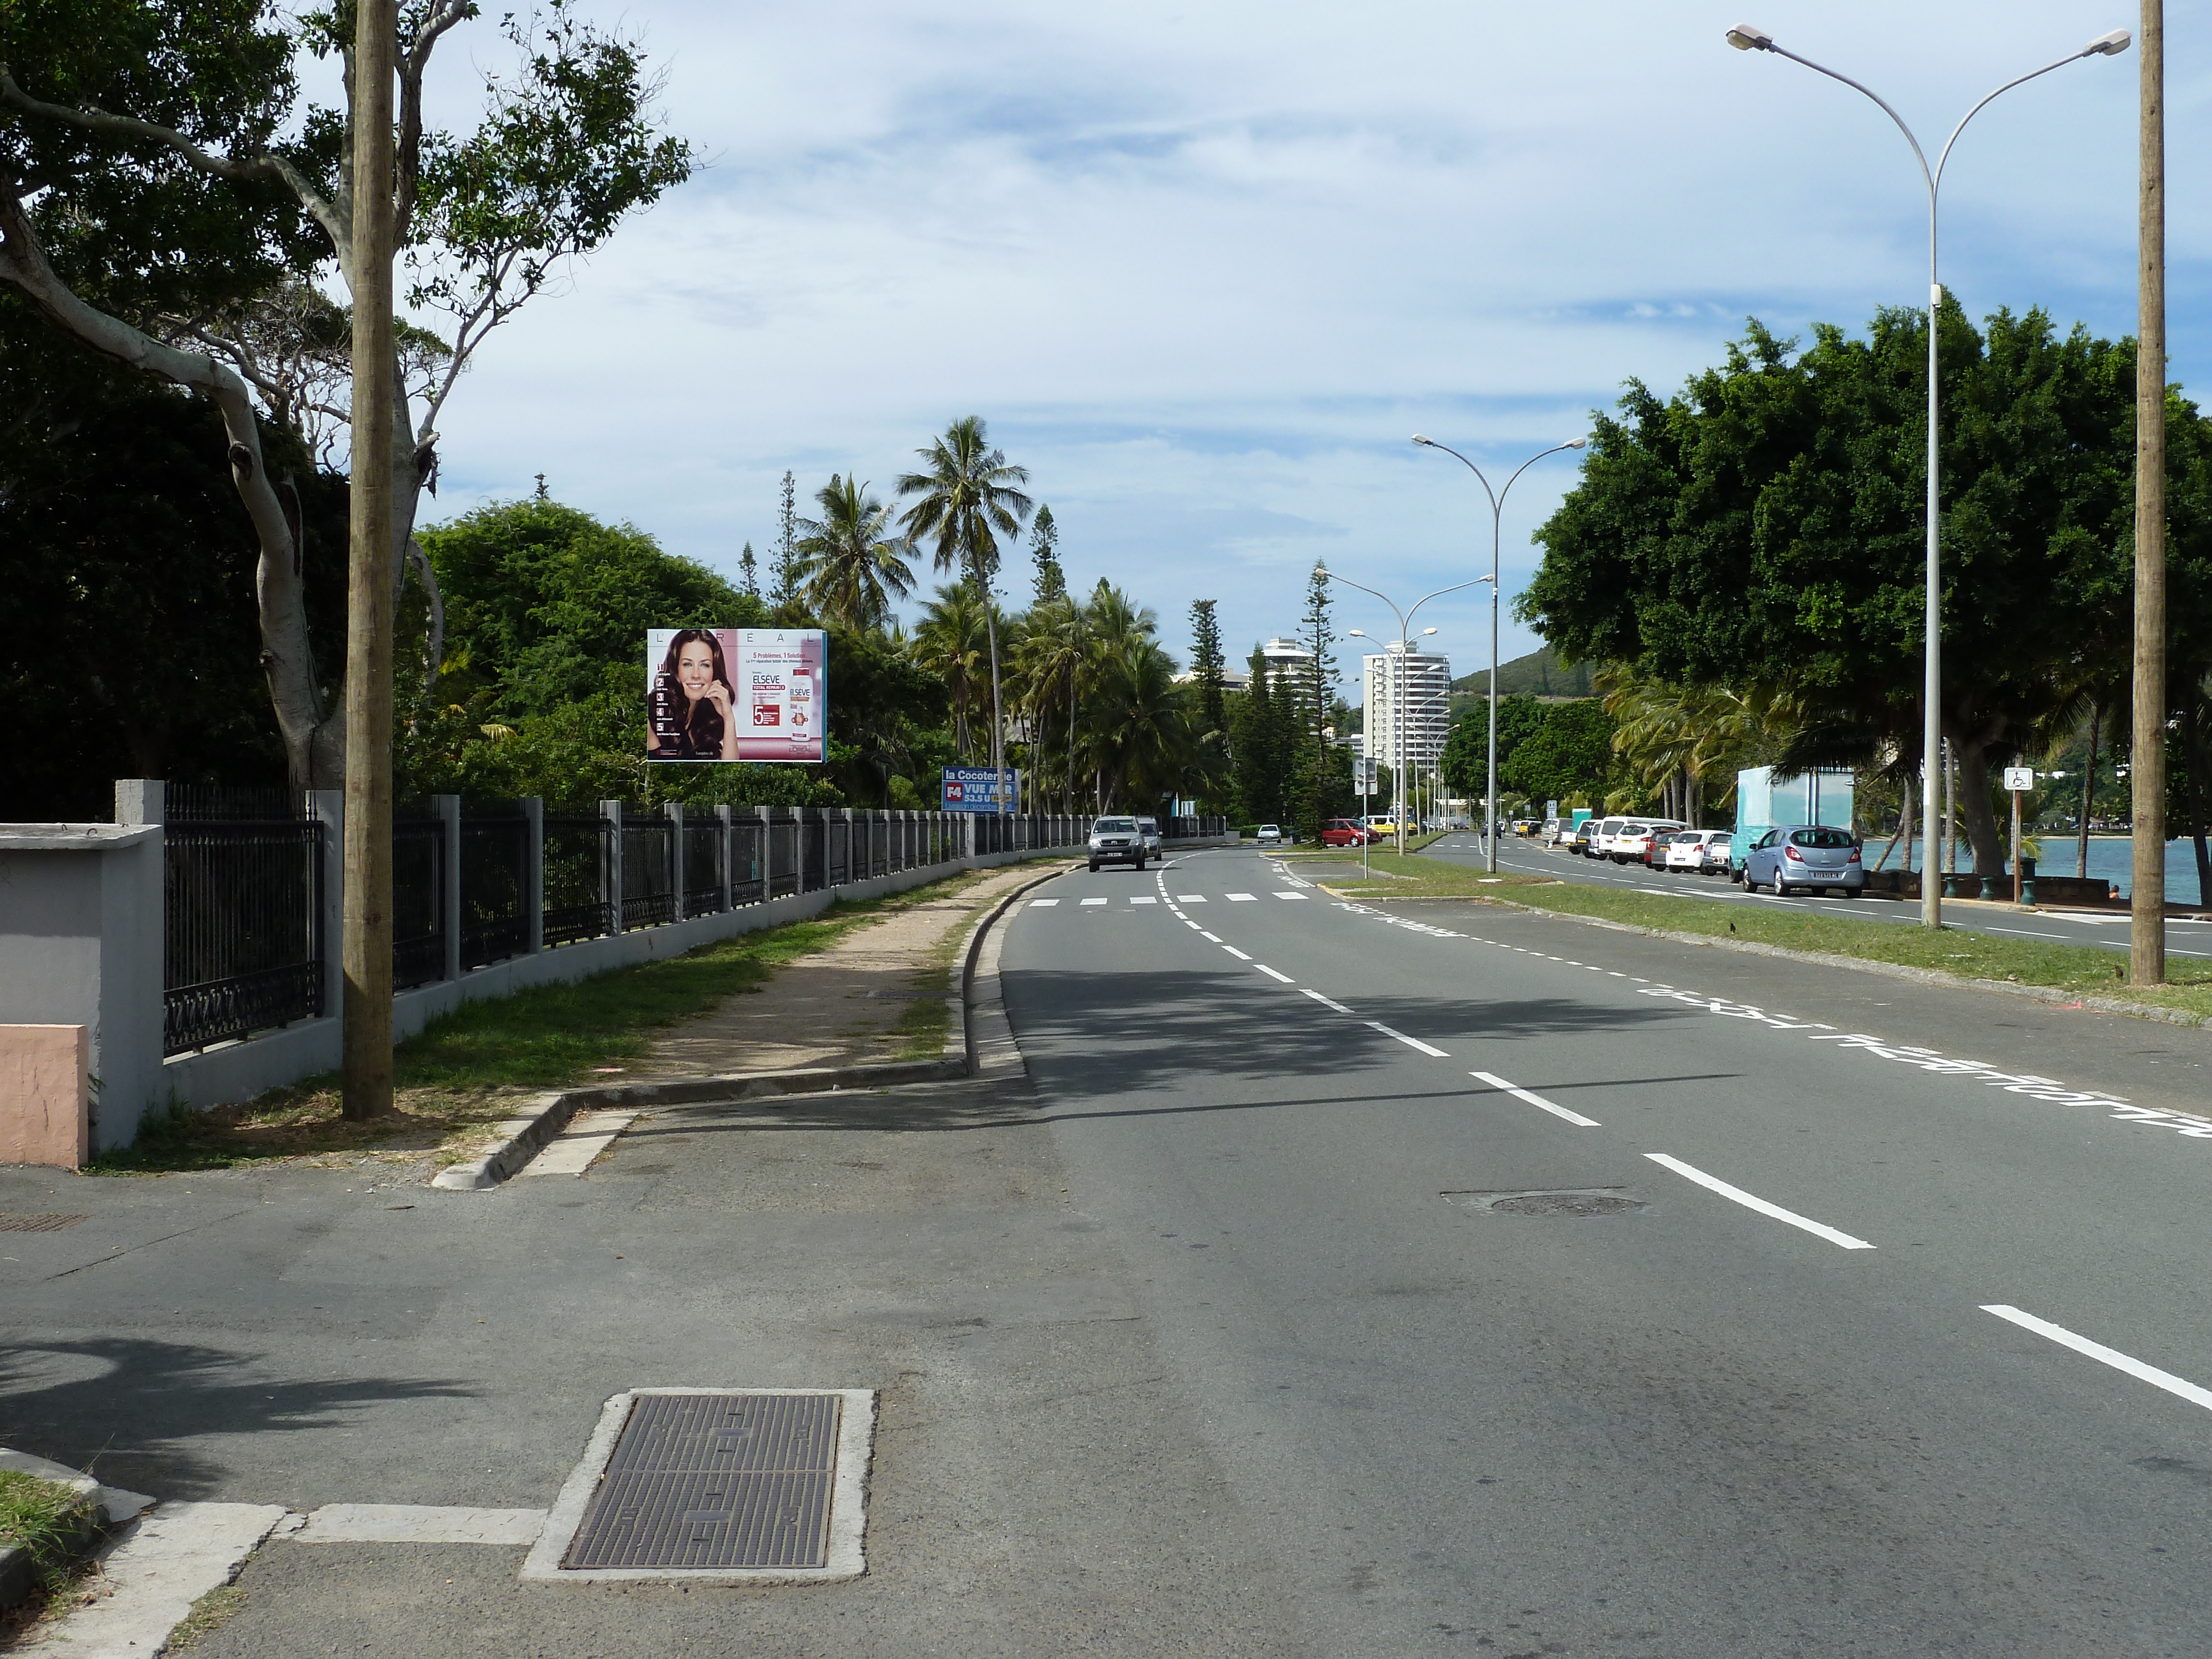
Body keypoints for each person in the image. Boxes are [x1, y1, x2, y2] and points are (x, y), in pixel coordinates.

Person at [646, 629, 739, 761]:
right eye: (687, 664)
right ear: (676, 669)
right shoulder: (654, 715)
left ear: (714, 672)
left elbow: (731, 770)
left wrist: (729, 718)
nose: (696, 675)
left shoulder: (706, 722)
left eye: (705, 665)